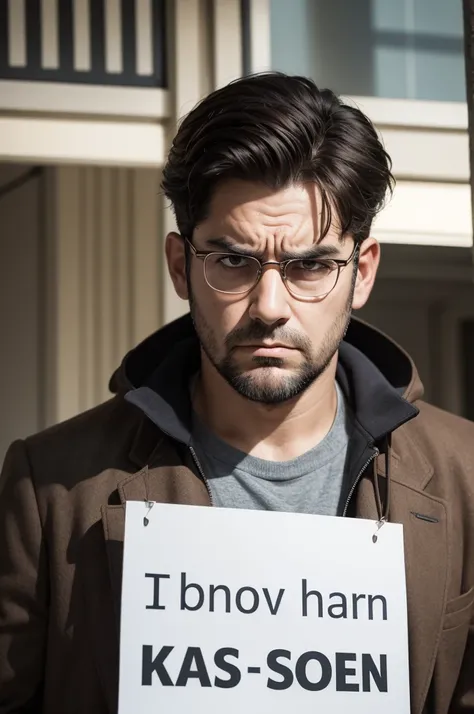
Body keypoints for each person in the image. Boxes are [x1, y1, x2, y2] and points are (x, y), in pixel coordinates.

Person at [0, 72, 473, 714]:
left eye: (310, 265)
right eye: (233, 261)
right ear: (179, 266)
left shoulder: (464, 475)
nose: (270, 306)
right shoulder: (51, 485)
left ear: (360, 274)